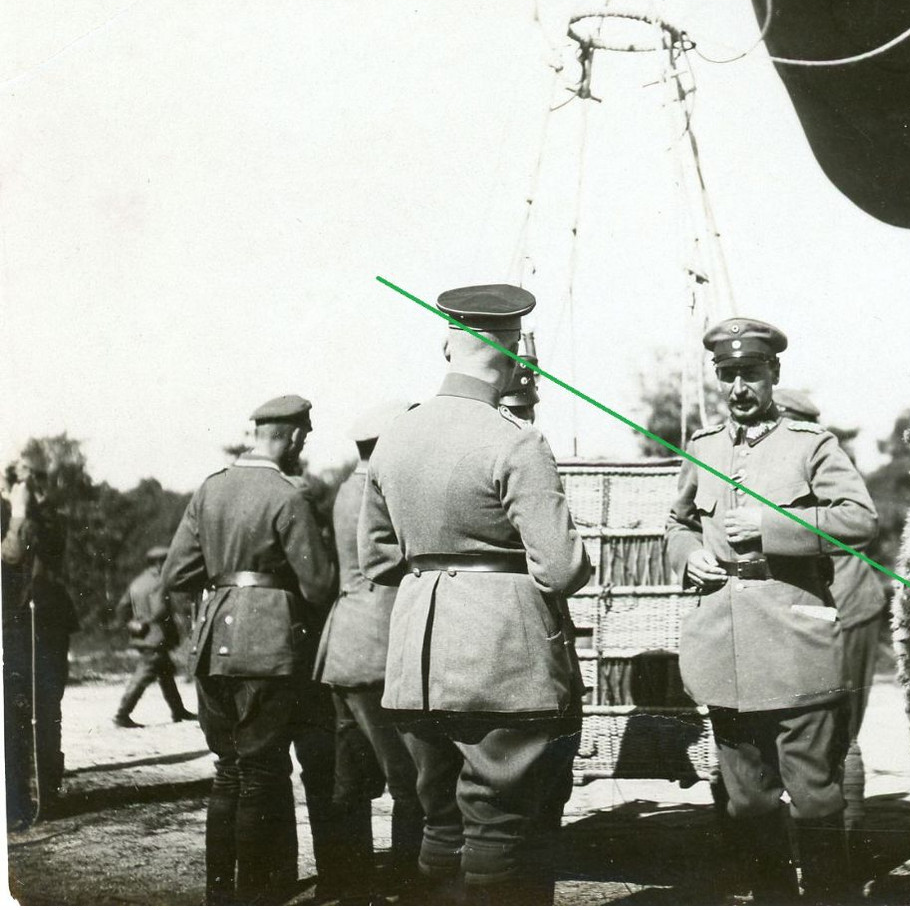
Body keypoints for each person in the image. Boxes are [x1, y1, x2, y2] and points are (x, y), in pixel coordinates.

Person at [360, 283, 592, 905]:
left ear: (448, 344)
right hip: (501, 661)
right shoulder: (515, 439)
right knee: (501, 823)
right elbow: (563, 569)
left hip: (416, 662)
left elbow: (376, 557)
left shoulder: (395, 437)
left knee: (441, 819)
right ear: (512, 351)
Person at [664, 319, 879, 903]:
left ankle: (832, 898)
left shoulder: (811, 446)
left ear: (773, 374)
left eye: (750, 374)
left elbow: (859, 520)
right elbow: (678, 522)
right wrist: (688, 557)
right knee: (748, 798)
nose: (738, 387)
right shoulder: (702, 448)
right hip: (724, 646)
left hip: (794, 642)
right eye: (728, 375)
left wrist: (771, 526)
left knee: (813, 792)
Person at [161, 395, 338, 904]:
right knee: (263, 770)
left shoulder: (211, 489)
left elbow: (177, 574)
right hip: (269, 647)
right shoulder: (287, 495)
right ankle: (258, 893)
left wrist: (226, 578)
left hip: (214, 643)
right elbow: (320, 584)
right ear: (296, 436)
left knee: (229, 769)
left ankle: (223, 889)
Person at [312, 400, 425, 897]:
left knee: (351, 776)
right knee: (409, 777)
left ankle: (346, 881)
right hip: (380, 648)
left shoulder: (345, 490)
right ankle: (406, 880)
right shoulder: (383, 491)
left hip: (343, 648)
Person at [771, 386, 887, 841]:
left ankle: (847, 839)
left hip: (847, 606)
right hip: (822, 607)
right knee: (819, 730)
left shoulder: (812, 462)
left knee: (838, 729)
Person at [3, 456, 79, 830]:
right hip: (14, 624)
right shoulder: (13, 514)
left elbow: (46, 546)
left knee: (46, 707)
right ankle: (19, 799)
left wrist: (28, 506)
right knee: (18, 713)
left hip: (44, 619)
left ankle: (47, 792)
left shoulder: (45, 517)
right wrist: (16, 511)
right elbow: (11, 555)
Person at [112, 546, 196, 727]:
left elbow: (122, 608)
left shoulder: (137, 582)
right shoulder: (160, 582)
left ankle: (178, 710)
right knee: (144, 675)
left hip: (143, 634)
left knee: (165, 674)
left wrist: (133, 623)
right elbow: (160, 610)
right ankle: (122, 714)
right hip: (156, 636)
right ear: (159, 563)